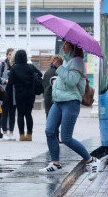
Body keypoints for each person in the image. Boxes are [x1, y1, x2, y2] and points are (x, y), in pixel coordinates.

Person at [39, 40, 100, 181]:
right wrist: (54, 79)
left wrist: (59, 67)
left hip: (70, 102)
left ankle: (91, 161)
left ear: (72, 46)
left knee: (66, 137)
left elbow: (72, 81)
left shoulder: (77, 61)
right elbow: (63, 79)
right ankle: (55, 164)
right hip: (59, 101)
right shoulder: (68, 61)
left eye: (65, 43)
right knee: (49, 131)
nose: (63, 46)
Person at [7, 49, 42, 141]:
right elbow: (40, 74)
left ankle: (21, 135)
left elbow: (10, 83)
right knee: (28, 114)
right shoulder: (30, 67)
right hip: (30, 94)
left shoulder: (14, 68)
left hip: (19, 94)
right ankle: (29, 134)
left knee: (20, 114)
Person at [0, 48, 16, 141]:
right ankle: (4, 132)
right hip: (4, 92)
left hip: (14, 93)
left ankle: (11, 132)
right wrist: (5, 80)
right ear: (7, 55)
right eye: (9, 54)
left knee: (12, 113)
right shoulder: (2, 64)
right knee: (4, 113)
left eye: (12, 55)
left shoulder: (15, 66)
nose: (10, 56)